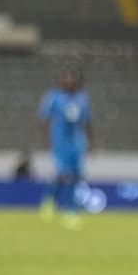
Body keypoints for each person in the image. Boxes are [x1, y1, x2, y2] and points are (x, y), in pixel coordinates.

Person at [38, 67, 94, 229]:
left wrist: (92, 142)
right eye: (66, 78)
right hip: (60, 143)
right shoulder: (54, 97)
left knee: (76, 177)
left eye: (71, 78)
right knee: (63, 175)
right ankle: (53, 203)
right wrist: (46, 139)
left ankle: (70, 210)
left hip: (77, 144)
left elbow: (87, 121)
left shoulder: (83, 99)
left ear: (77, 82)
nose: (68, 81)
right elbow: (44, 118)